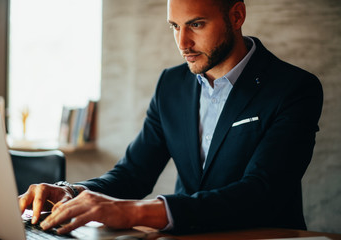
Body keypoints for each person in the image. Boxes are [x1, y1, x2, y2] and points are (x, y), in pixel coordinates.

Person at [19, 0, 323, 235]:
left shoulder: (294, 88)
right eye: (174, 26)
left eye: (196, 24)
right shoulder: (171, 84)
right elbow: (133, 174)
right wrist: (71, 191)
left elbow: (262, 193)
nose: (182, 43)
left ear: (236, 16)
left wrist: (135, 212)